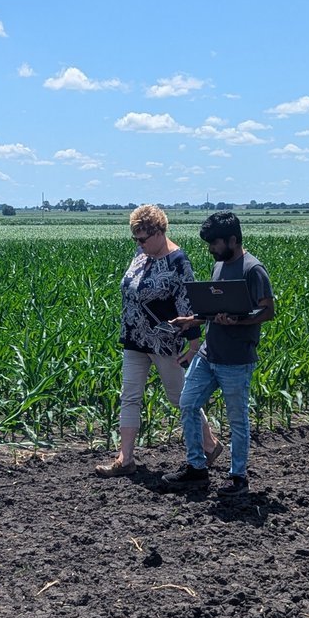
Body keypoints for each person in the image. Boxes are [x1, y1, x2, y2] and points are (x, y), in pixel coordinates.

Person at [95, 204, 223, 477]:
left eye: (142, 238)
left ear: (159, 232)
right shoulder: (141, 254)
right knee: (129, 396)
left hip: (164, 341)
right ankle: (125, 458)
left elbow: (187, 304)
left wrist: (192, 345)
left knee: (179, 398)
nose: (139, 244)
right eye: (135, 239)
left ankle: (210, 444)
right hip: (134, 337)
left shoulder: (178, 261)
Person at [162, 211, 274, 496]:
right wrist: (191, 320)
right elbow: (213, 310)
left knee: (237, 420)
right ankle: (197, 468)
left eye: (215, 244)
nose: (211, 249)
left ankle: (238, 478)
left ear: (233, 240)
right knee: (187, 403)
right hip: (209, 354)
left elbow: (267, 310)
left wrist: (239, 320)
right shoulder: (219, 266)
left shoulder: (253, 269)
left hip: (236, 360)